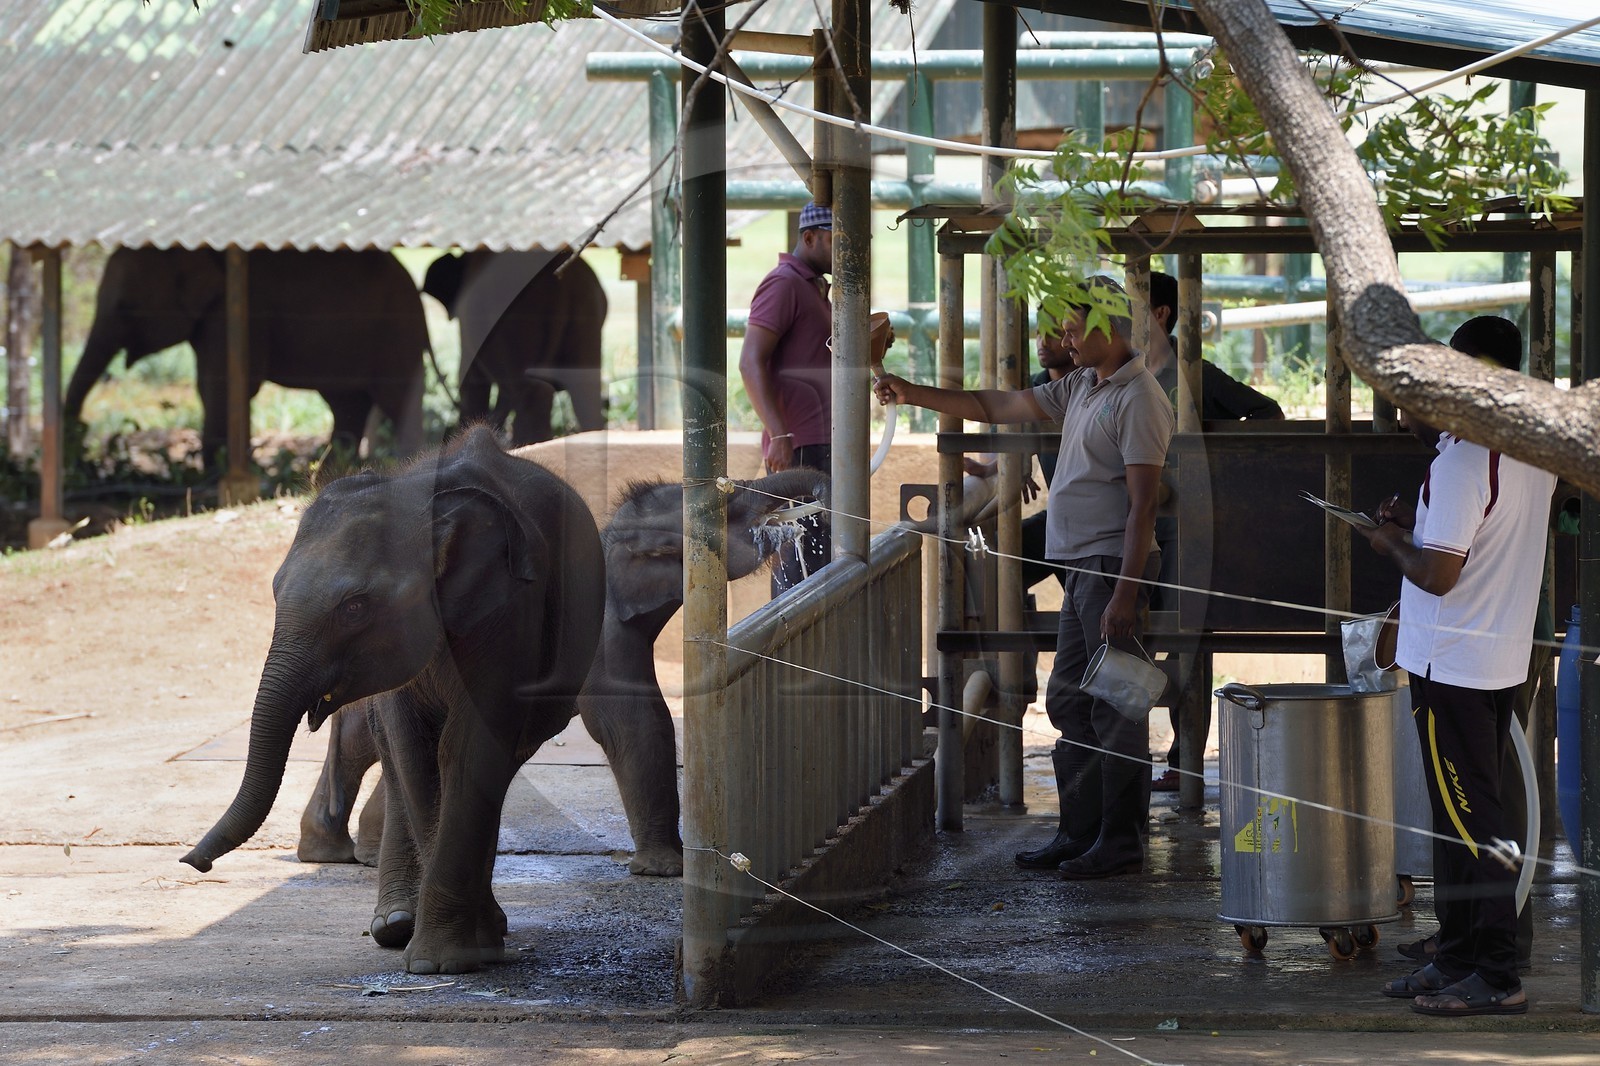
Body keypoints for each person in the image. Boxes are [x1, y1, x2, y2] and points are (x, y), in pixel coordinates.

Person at [875, 276, 1174, 880]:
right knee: (1070, 698)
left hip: (1107, 566)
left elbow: (1144, 506)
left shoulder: (1138, 398)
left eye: (1072, 323)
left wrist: (1125, 592)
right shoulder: (1083, 386)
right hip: (1082, 565)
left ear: (1106, 326)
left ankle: (1119, 842)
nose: (1062, 335)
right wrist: (911, 392)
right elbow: (998, 405)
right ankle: (1080, 832)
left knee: (1116, 704)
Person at [1361, 315, 1555, 1016]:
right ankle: (1458, 954)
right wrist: (1414, 519)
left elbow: (1439, 575)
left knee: (1474, 823)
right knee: (1458, 819)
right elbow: (1478, 541)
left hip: (1454, 664)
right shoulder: (1522, 448)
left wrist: (1388, 544)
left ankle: (1497, 973)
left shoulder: (1464, 460)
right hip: (1491, 656)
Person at [1144, 271, 1284, 792]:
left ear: (1158, 314)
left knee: (1188, 637)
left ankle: (1185, 759)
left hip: (1185, 527)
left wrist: (1217, 467)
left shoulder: (1192, 372)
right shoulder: (1122, 371)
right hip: (1142, 523)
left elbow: (1267, 414)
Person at [739, 202, 835, 592]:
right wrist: (779, 434)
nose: (844, 252)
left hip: (822, 441)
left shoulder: (814, 288)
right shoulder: (783, 284)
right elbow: (750, 362)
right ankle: (789, 650)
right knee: (802, 561)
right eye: (835, 242)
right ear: (808, 238)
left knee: (822, 558)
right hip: (800, 447)